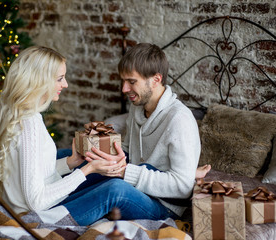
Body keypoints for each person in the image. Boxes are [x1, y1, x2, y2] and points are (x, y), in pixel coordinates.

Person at [0, 46, 164, 226]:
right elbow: (36, 202)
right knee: (113, 188)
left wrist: (71, 163)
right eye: (60, 78)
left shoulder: (18, 113)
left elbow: (30, 173)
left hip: (23, 205)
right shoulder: (30, 124)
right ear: (40, 81)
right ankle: (163, 213)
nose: (65, 84)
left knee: (106, 171)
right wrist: (87, 169)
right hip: (39, 215)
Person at [85, 43, 205, 219]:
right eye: (124, 81)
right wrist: (100, 139)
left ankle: (50, 218)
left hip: (166, 205)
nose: (124, 89)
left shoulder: (180, 120)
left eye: (132, 82)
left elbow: (183, 186)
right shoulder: (138, 106)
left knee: (115, 189)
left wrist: (125, 171)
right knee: (86, 159)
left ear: (156, 79)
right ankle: (53, 201)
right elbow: (127, 151)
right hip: (138, 187)